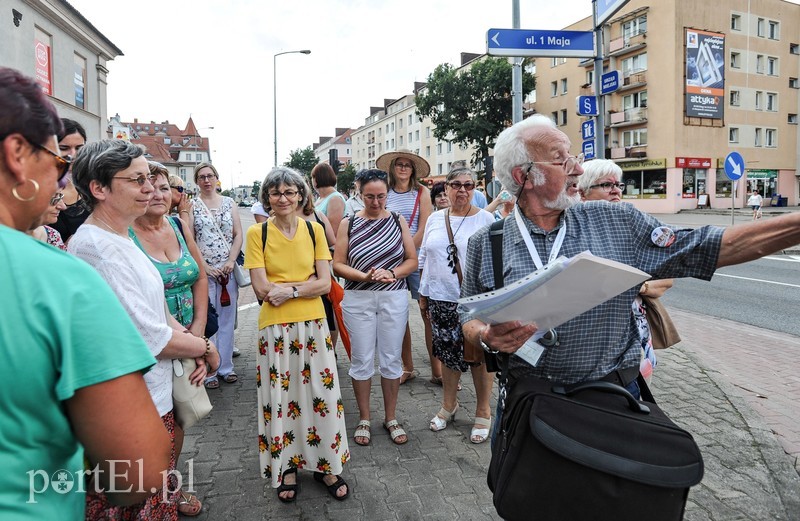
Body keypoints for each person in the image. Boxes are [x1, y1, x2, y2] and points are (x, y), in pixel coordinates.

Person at [459, 114, 800, 457]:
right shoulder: (487, 242)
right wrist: (485, 336)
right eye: (562, 159)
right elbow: (467, 317)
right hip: (527, 405)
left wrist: (794, 225)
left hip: (609, 401)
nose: (577, 169)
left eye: (573, 156)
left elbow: (706, 246)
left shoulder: (617, 221)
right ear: (524, 176)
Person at [0, 66, 171, 520]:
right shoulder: (56, 277)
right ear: (17, 154)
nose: (61, 181)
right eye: (58, 163)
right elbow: (136, 469)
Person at [68, 138, 220, 519]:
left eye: (149, 178)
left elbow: (154, 311)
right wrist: (202, 348)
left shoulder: (119, 235)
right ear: (99, 188)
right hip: (129, 408)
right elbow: (149, 338)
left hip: (149, 396)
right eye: (137, 180)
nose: (152, 188)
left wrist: (194, 340)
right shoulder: (98, 248)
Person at [244, 167, 350, 502]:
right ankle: (287, 465)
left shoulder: (314, 230)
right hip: (273, 330)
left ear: (301, 194)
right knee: (282, 398)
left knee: (322, 398)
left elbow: (324, 283)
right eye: (276, 193)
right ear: (267, 198)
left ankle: (326, 464)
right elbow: (261, 289)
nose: (284, 198)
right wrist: (301, 287)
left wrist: (288, 291)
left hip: (314, 325)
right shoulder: (257, 234)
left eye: (290, 192)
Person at [130, 162, 211, 516]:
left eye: (164, 187)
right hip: (152, 338)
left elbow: (200, 277)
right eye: (149, 186)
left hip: (189, 332)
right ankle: (148, 488)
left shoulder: (178, 225)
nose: (158, 194)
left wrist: (199, 331)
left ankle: (170, 484)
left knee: (181, 410)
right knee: (151, 417)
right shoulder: (125, 234)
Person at [333, 169, 418, 447]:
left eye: (381, 196)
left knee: (392, 358)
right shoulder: (349, 223)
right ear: (359, 194)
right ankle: (365, 418)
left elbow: (411, 260)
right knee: (361, 358)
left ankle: (391, 417)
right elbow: (339, 264)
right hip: (359, 297)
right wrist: (364, 276)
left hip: (393, 296)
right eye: (370, 196)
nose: (376, 202)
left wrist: (392, 273)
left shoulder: (397, 219)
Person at [578, 159, 674, 383]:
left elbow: (668, 278)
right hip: (589, 339)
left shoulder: (635, 226)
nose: (615, 191)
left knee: (637, 394)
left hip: (635, 335)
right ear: (583, 193)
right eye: (605, 185)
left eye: (618, 185)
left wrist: (640, 286)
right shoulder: (572, 229)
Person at [419, 166, 495, 443]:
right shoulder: (436, 219)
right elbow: (427, 256)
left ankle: (483, 410)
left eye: (469, 185)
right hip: (441, 297)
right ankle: (449, 405)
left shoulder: (486, 219)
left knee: (478, 358)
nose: (462, 190)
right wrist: (424, 294)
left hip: (474, 301)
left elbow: (494, 263)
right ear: (446, 188)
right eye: (456, 185)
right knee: (448, 356)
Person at [377, 149, 434, 384]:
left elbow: (425, 227)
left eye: (407, 165)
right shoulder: (385, 193)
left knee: (427, 312)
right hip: (391, 262)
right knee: (399, 315)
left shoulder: (422, 192)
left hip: (418, 260)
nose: (402, 168)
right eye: (398, 164)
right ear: (392, 168)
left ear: (412, 170)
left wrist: (406, 251)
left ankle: (439, 370)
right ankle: (407, 367)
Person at [189, 162, 243, 388]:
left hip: (227, 271)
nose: (206, 180)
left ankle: (226, 367)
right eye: (201, 177)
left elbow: (238, 233)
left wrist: (231, 260)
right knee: (208, 321)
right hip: (205, 272)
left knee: (227, 320)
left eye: (210, 176)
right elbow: (190, 239)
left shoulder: (229, 203)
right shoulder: (193, 205)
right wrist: (203, 267)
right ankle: (211, 369)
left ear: (217, 178)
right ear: (197, 181)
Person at [50, 118, 87, 243]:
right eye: (64, 147)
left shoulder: (90, 185)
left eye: (79, 148)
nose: (73, 154)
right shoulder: (35, 188)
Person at [312, 162, 346, 238]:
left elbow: (333, 232)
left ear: (316, 178)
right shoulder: (321, 198)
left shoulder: (335, 199)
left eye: (313, 177)